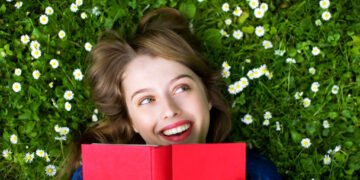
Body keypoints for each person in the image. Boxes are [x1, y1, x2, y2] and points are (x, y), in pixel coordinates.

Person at [60, 7, 281, 180]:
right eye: (146, 100)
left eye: (181, 88)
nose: (169, 110)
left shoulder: (255, 174)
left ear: (208, 96)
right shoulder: (94, 176)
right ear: (131, 120)